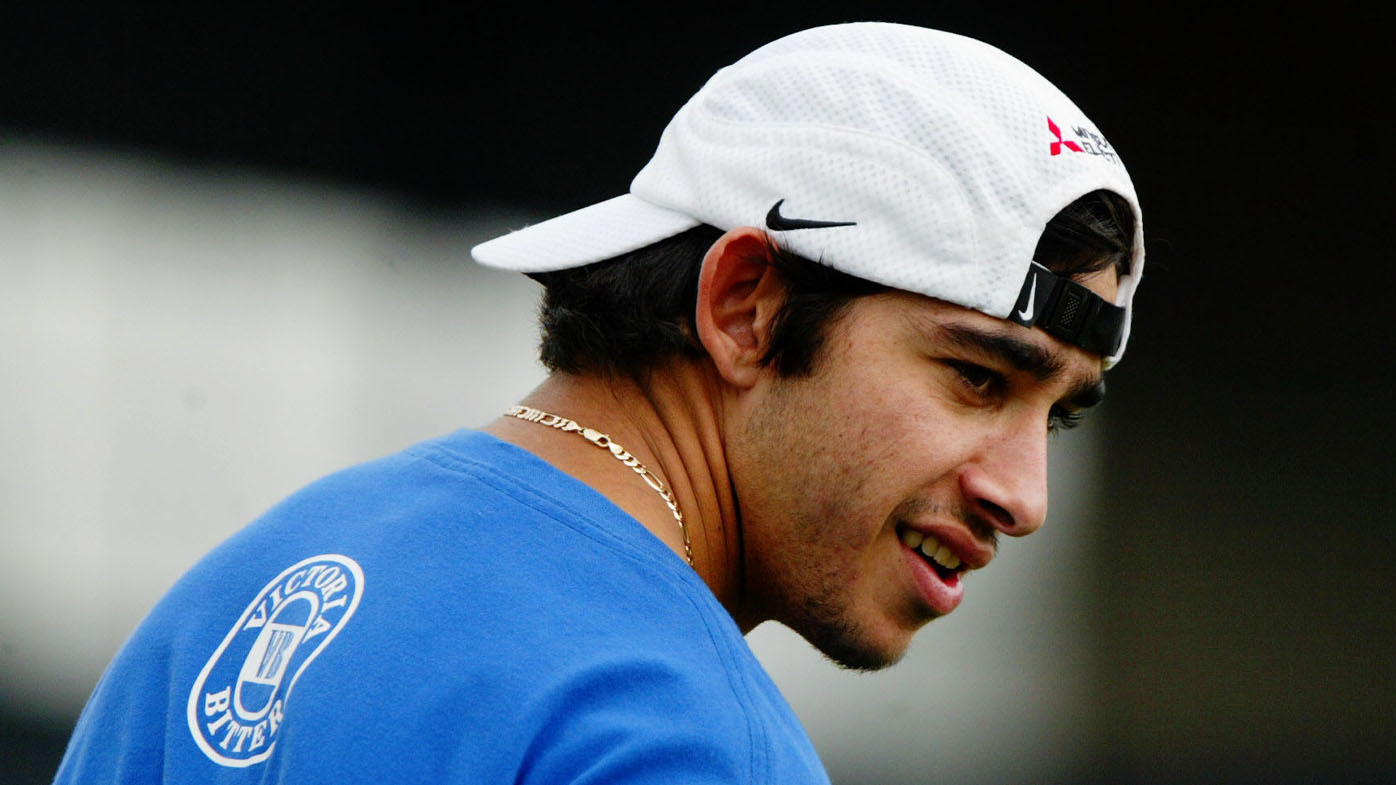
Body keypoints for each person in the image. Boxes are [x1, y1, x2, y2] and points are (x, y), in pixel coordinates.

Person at [53, 21, 1143, 784]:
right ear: (745, 305)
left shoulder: (252, 586)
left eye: (1057, 415)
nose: (1026, 496)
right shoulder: (681, 739)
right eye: (977, 377)